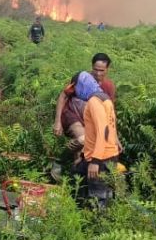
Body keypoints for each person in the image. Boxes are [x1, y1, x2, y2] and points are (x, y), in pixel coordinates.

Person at [72, 72, 123, 209]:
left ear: (82, 85)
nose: (76, 92)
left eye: (76, 87)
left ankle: (97, 224)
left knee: (98, 197)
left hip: (101, 158)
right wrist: (84, 156)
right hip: (107, 155)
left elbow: (103, 131)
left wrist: (95, 161)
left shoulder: (94, 102)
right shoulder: (105, 99)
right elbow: (95, 134)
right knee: (78, 173)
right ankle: (82, 212)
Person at [53, 52, 115, 141]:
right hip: (72, 115)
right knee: (83, 139)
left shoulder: (108, 86)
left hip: (91, 120)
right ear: (92, 66)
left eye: (101, 70)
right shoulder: (83, 79)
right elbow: (63, 96)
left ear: (107, 69)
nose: (98, 73)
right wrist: (57, 121)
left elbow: (109, 112)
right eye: (95, 69)